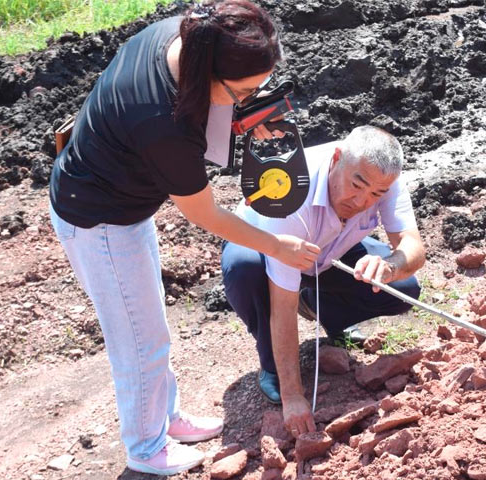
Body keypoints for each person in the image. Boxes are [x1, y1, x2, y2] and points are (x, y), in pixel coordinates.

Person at [48, 1, 320, 475]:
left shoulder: (185, 36)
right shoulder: (162, 123)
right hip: (99, 218)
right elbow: (203, 211)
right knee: (139, 341)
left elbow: (208, 110)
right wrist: (278, 247)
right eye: (245, 90)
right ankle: (145, 450)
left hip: (120, 198)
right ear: (209, 74)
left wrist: (246, 114)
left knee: (148, 328)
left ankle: (166, 417)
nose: (252, 97)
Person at [222, 126, 426, 438]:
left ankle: (319, 306)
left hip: (329, 252)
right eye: (356, 185)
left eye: (375, 194)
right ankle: (273, 366)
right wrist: (293, 396)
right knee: (244, 269)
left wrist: (389, 267)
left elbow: (413, 247)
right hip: (266, 249)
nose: (361, 201)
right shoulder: (292, 195)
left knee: (403, 288)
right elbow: (282, 304)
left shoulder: (385, 181)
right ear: (336, 159)